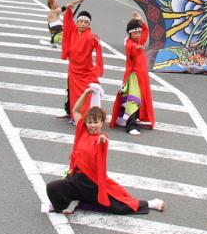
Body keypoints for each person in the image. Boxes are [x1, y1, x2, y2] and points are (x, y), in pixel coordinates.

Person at [45, 86, 165, 215]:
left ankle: (150, 203)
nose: (92, 125)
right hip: (76, 179)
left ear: (102, 123)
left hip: (92, 183)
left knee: (117, 206)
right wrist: (86, 93)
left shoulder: (102, 138)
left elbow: (103, 142)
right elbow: (76, 110)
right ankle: (73, 201)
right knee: (52, 188)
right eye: (89, 122)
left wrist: (102, 140)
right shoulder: (83, 131)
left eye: (96, 122)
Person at [111, 13, 155, 135]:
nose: (138, 35)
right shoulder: (130, 44)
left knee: (133, 98)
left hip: (141, 76)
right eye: (135, 33)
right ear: (130, 33)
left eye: (139, 32)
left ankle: (123, 118)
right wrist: (137, 49)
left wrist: (141, 21)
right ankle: (131, 126)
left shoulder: (138, 41)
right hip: (134, 76)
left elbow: (146, 32)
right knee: (133, 99)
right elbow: (131, 52)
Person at [61, 0, 104, 118]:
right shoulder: (73, 31)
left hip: (86, 71)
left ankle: (87, 114)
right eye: (81, 21)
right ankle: (71, 112)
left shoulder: (91, 36)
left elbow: (99, 49)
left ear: (89, 24)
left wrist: (98, 67)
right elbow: (68, 21)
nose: (83, 24)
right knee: (71, 92)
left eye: (86, 22)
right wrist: (72, 7)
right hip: (73, 69)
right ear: (77, 22)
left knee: (88, 91)